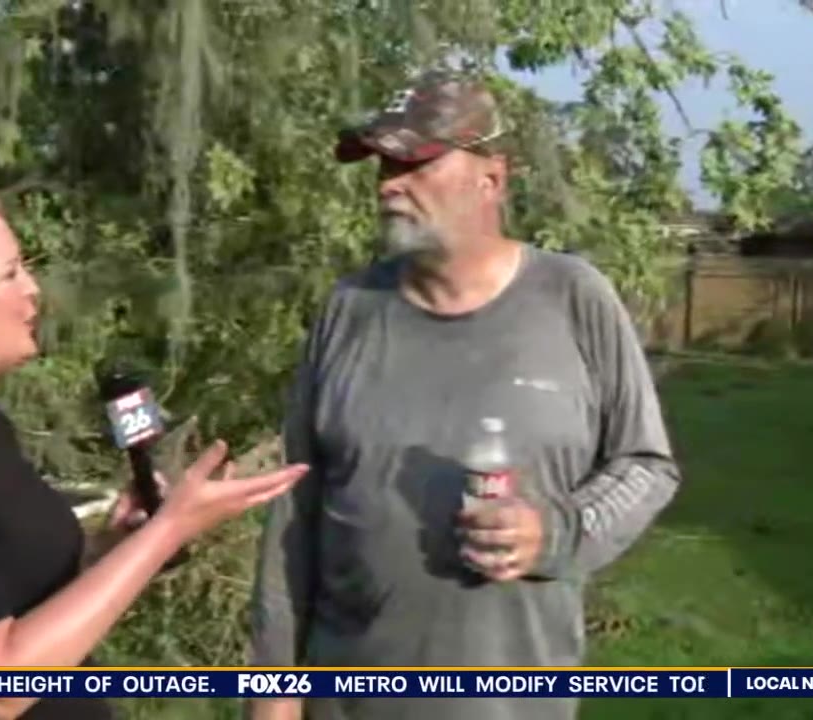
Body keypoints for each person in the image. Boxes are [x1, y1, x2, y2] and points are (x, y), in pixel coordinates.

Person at [247, 71, 682, 720]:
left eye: (414, 162)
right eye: (382, 165)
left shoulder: (571, 297)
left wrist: (556, 534)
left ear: (493, 177)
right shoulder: (350, 310)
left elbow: (646, 466)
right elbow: (295, 515)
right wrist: (273, 695)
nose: (389, 183)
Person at [0, 186, 309, 720]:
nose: (32, 290)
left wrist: (115, 546)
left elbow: (21, 598)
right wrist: (168, 531)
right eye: (9, 273)